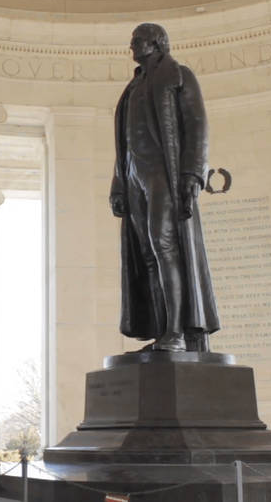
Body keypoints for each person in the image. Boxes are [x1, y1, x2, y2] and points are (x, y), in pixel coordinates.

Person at [110, 23, 219, 352]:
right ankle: (162, 330)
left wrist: (192, 175)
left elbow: (197, 126)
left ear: (155, 43)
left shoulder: (178, 75)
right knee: (147, 255)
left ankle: (177, 332)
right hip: (134, 176)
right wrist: (118, 184)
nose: (131, 46)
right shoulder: (132, 88)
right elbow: (124, 142)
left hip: (163, 172)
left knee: (165, 246)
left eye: (136, 40)